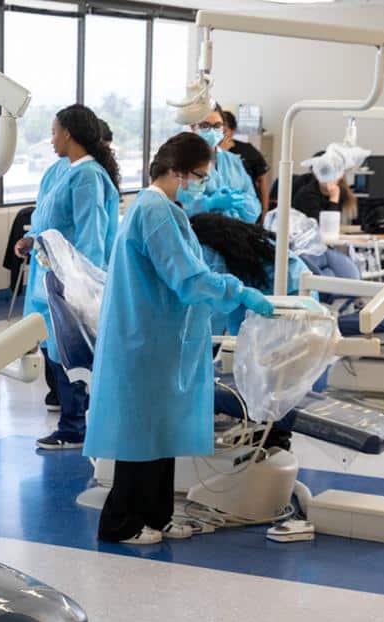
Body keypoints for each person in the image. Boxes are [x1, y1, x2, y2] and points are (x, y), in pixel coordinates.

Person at [84, 133, 274, 546]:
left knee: (161, 432)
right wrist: (237, 291)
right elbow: (187, 277)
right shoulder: (154, 210)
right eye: (200, 176)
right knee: (141, 437)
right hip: (144, 339)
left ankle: (157, 515)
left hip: (161, 338)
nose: (203, 185)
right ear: (176, 171)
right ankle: (120, 524)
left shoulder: (164, 209)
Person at [14, 104, 121, 450]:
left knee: (71, 352)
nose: (51, 139)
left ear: (69, 133)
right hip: (52, 276)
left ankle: (74, 426)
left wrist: (78, 285)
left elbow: (91, 238)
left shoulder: (88, 177)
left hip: (73, 281)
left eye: (54, 132)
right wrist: (32, 241)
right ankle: (72, 421)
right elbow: (51, 224)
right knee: (56, 351)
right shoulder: (64, 172)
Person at [190, 212, 305, 335]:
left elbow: (216, 299)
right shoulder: (243, 238)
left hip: (286, 302)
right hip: (300, 291)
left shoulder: (206, 251)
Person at [183, 105, 261, 224]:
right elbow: (180, 207)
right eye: (204, 126)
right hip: (201, 233)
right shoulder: (184, 162)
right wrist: (209, 203)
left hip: (237, 231)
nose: (212, 131)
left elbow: (254, 206)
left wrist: (238, 202)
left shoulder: (233, 161)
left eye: (217, 126)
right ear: (193, 127)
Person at [219, 110, 269, 222]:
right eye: (218, 129)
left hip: (247, 209)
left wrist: (265, 210)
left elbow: (263, 178)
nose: (221, 135)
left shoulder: (246, 150)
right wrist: (220, 153)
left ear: (233, 130)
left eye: (224, 131)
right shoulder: (210, 153)